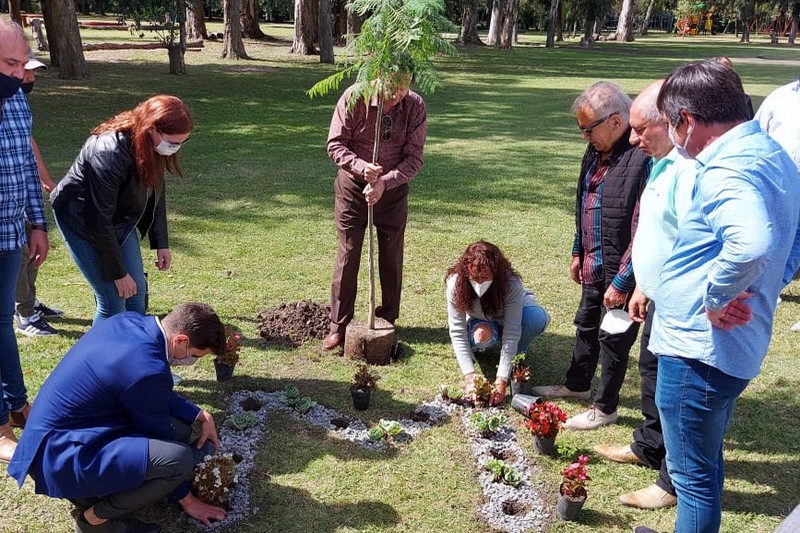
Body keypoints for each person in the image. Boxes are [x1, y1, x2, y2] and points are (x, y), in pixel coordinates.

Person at [636, 60, 800, 533]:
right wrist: (769, 280)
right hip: (727, 348)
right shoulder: (769, 151)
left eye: (670, 123)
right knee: (702, 463)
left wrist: (715, 295)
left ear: (686, 120)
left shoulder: (726, 167)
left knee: (692, 476)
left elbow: (751, 242)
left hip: (698, 351)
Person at [8, 302, 229, 532]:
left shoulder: (128, 321)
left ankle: (101, 493)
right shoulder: (148, 369)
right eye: (194, 355)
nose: (191, 362)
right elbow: (159, 425)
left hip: (61, 436)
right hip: (62, 456)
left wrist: (200, 414)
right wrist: (188, 499)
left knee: (181, 430)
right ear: (181, 341)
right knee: (178, 460)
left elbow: (147, 391)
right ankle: (96, 519)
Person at [592, 80, 696, 510]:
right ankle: (649, 446)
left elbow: (694, 244)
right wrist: (640, 285)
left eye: (640, 130)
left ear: (671, 122)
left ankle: (672, 482)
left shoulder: (689, 171)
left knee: (678, 393)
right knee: (652, 372)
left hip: (683, 304)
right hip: (657, 295)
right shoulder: (661, 163)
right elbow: (654, 232)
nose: (633, 140)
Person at [531, 81, 649, 430]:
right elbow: (584, 203)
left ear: (615, 121)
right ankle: (577, 385)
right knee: (586, 324)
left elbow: (645, 226)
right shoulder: (597, 150)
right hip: (593, 262)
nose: (584, 138)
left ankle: (605, 408)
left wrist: (624, 280)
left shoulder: (641, 156)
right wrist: (576, 251)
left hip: (622, 270)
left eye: (588, 130)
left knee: (613, 338)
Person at [51, 95, 190, 325]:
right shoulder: (108, 151)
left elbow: (156, 189)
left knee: (136, 295)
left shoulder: (151, 144)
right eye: (173, 142)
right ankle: (99, 359)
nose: (175, 149)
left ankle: (128, 354)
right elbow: (98, 219)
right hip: (81, 219)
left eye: (181, 143)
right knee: (113, 301)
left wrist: (161, 242)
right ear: (152, 129)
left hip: (116, 220)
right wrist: (118, 274)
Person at [322, 69, 427, 350]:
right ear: (377, 77)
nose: (398, 96)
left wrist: (385, 181)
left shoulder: (415, 106)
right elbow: (335, 144)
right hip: (353, 190)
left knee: (391, 254)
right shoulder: (353, 99)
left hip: (392, 192)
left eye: (404, 89)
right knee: (348, 253)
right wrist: (361, 167)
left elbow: (414, 158)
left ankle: (388, 317)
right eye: (393, 89)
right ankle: (339, 326)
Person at [0, 19, 50, 463]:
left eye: (21, 63)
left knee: (2, 326)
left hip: (11, 234)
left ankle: (16, 405)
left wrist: (38, 223)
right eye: (10, 63)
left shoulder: (16, 99)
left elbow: (24, 168)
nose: (19, 73)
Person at [446, 241, 550, 405]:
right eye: (475, 278)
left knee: (535, 319)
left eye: (486, 277)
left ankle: (516, 356)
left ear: (496, 272)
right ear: (466, 273)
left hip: (512, 318)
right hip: (482, 322)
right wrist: (470, 376)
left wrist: (501, 380)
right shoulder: (455, 283)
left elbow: (512, 331)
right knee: (482, 338)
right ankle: (482, 343)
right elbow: (457, 331)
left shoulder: (511, 284)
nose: (480, 283)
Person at [15, 51, 62, 337]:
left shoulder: (20, 102)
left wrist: (46, 181)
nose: (32, 78)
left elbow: (29, 143)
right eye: (26, 71)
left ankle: (29, 300)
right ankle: (24, 313)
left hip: (23, 191)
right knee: (19, 254)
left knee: (33, 246)